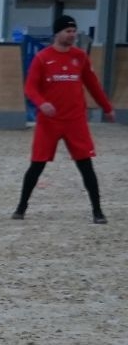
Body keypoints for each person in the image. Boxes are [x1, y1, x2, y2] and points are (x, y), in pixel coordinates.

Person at [15, 14, 114, 223]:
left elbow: (93, 85)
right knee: (37, 164)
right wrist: (42, 103)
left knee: (86, 164)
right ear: (57, 33)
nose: (72, 35)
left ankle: (97, 211)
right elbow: (30, 87)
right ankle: (21, 207)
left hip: (75, 120)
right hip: (49, 122)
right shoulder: (43, 58)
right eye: (68, 31)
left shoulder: (80, 57)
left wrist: (107, 107)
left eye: (74, 31)